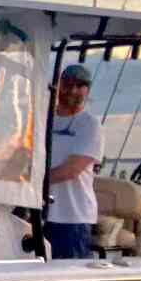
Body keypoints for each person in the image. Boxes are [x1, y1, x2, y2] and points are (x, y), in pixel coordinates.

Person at [45, 63, 104, 259]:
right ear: (58, 85)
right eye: (68, 84)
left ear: (87, 91)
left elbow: (71, 170)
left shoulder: (90, 124)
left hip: (72, 218)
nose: (73, 90)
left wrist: (31, 182)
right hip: (38, 214)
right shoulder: (43, 119)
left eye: (80, 85)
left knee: (66, 277)